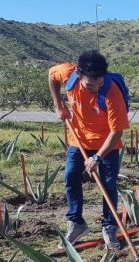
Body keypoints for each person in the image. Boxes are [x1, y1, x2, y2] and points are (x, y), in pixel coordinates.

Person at [48, 50, 129, 250]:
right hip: (79, 138)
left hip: (107, 144)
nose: (96, 88)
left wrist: (97, 158)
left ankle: (109, 226)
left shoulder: (111, 92)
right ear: (78, 73)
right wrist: (58, 105)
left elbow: (116, 132)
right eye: (90, 85)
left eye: (100, 83)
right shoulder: (68, 74)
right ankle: (76, 223)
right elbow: (51, 75)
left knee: (108, 184)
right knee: (70, 176)